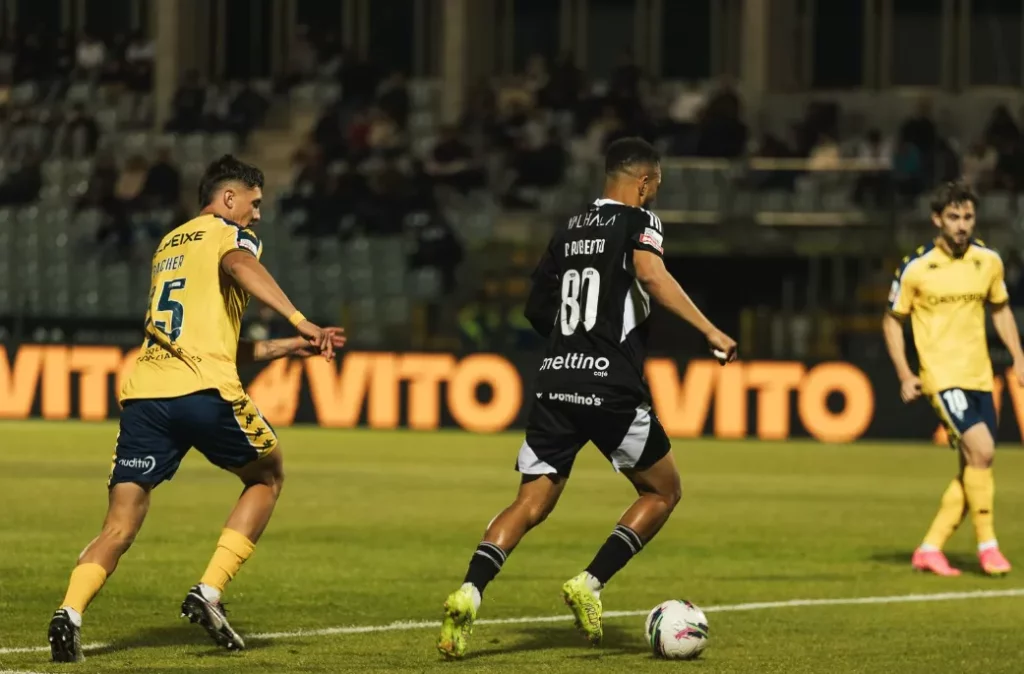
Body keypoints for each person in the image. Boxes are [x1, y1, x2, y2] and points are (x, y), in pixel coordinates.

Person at [436, 137, 737, 659]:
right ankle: (590, 583)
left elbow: (537, 308)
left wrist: (571, 343)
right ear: (644, 182)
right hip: (609, 383)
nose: (655, 195)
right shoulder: (640, 222)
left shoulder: (569, 229)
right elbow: (651, 274)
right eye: (656, 186)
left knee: (529, 503)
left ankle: (470, 590)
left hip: (556, 381)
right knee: (663, 491)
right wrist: (709, 330)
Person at [47, 155, 346, 662]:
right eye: (253, 203)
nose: (257, 215)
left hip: (146, 395)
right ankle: (208, 591)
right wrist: (301, 321)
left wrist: (286, 347)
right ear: (228, 198)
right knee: (267, 476)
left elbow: (213, 339)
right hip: (204, 391)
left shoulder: (168, 245)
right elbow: (240, 265)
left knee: (118, 524)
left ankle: (69, 613)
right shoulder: (231, 236)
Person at [882, 180, 1022, 578]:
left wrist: (1019, 355)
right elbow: (892, 321)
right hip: (942, 377)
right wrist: (905, 373)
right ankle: (988, 547)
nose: (962, 225)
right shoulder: (917, 267)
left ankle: (930, 549)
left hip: (980, 375)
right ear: (937, 219)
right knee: (984, 451)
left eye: (968, 217)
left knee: (973, 466)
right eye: (954, 217)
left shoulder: (988, 261)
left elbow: (1001, 309)